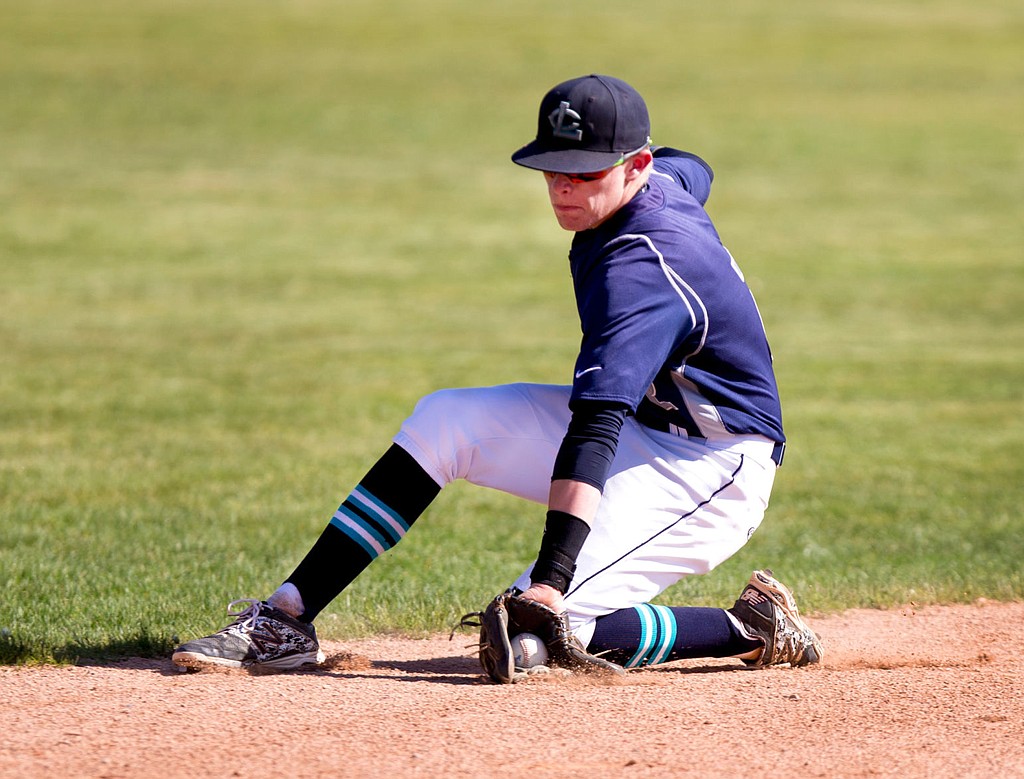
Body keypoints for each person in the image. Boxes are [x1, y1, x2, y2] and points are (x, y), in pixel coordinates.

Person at [172, 74, 822, 675]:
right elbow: (695, 167)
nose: (565, 186)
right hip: (652, 427)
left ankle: (748, 626)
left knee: (535, 630)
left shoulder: (641, 271)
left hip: (713, 466)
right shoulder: (657, 180)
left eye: (585, 170)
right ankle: (287, 618)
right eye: (555, 169)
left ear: (637, 166)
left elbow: (595, 426)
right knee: (445, 421)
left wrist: (552, 575)